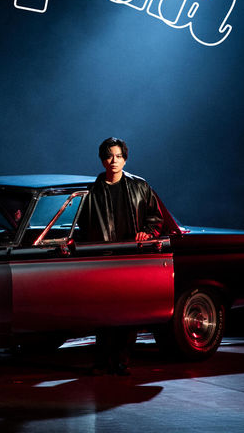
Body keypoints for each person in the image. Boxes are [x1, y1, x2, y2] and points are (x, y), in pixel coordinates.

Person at [78, 137, 163, 375]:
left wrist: (147, 233)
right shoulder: (91, 191)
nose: (113, 161)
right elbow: (81, 226)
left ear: (125, 159)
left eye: (118, 156)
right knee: (102, 313)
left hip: (131, 259)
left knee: (128, 313)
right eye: (109, 156)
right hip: (102, 259)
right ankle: (102, 361)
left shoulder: (140, 186)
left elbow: (155, 218)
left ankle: (122, 361)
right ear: (102, 159)